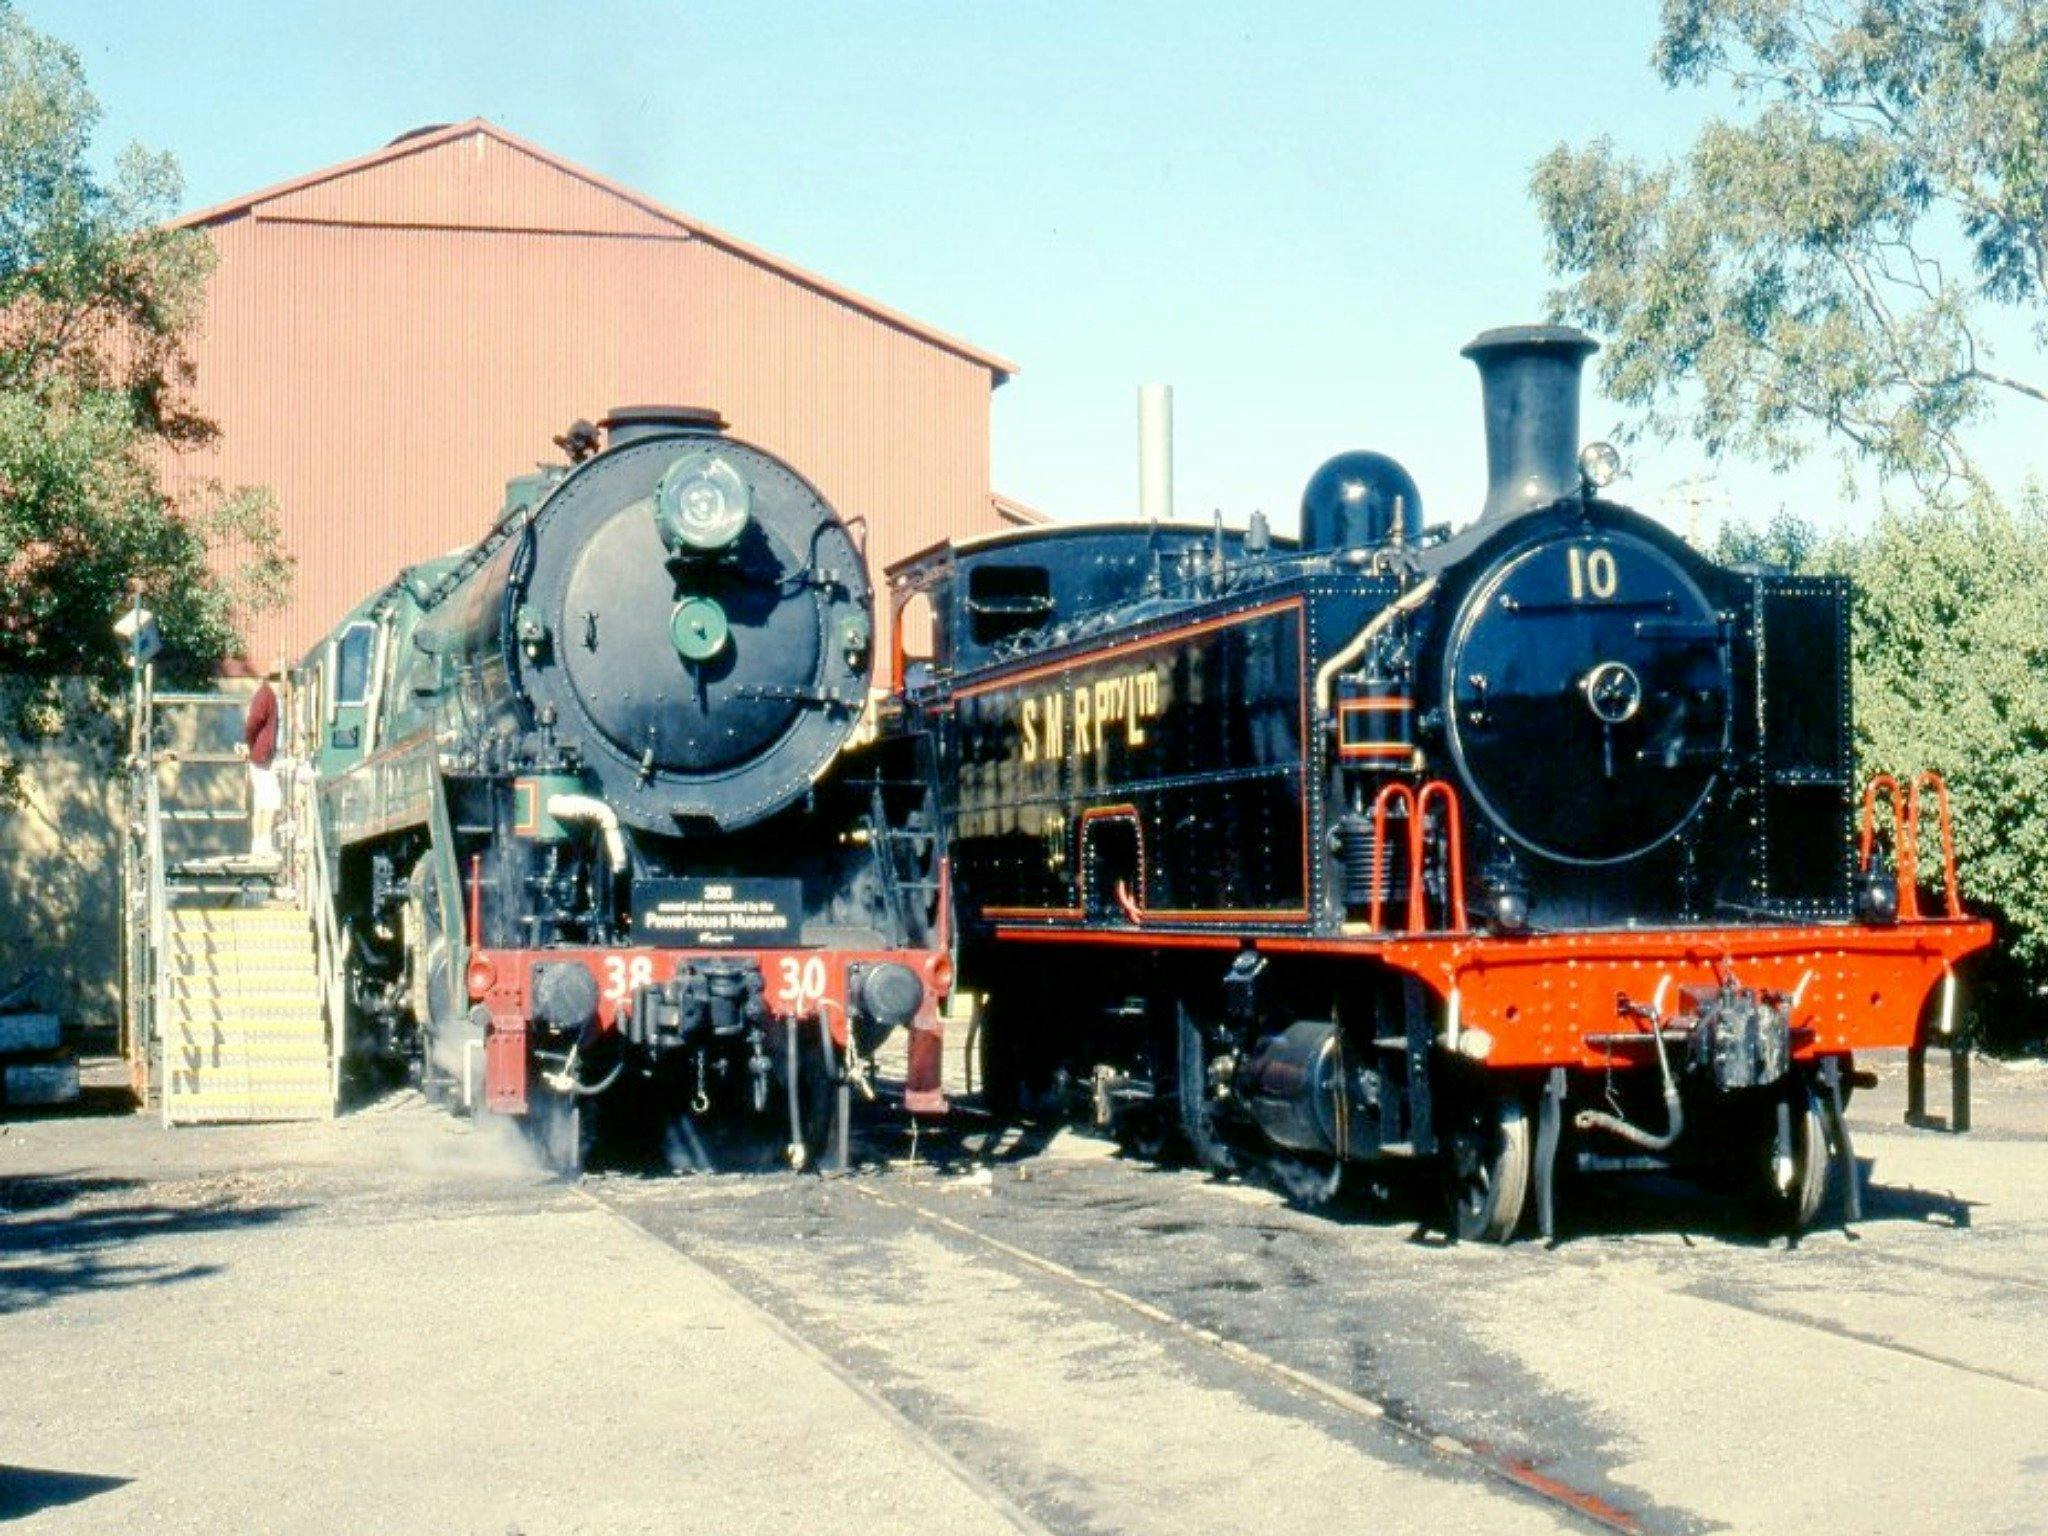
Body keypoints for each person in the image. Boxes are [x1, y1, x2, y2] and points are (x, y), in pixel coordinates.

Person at [241, 666, 283, 860]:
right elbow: (253, 723)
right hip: (262, 756)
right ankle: (263, 844)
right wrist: (251, 744)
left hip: (261, 755)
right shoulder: (267, 696)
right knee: (271, 800)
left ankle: (259, 844)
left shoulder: (267, 696)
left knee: (263, 801)